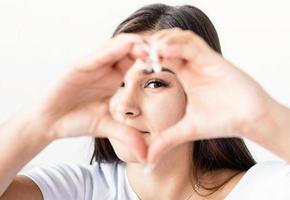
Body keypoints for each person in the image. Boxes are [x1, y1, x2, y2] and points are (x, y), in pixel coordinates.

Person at [0, 3, 290, 200]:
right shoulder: (76, 189)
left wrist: (260, 118)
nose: (127, 106)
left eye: (154, 83)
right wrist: (42, 123)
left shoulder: (259, 189)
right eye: (118, 83)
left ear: (198, 94)